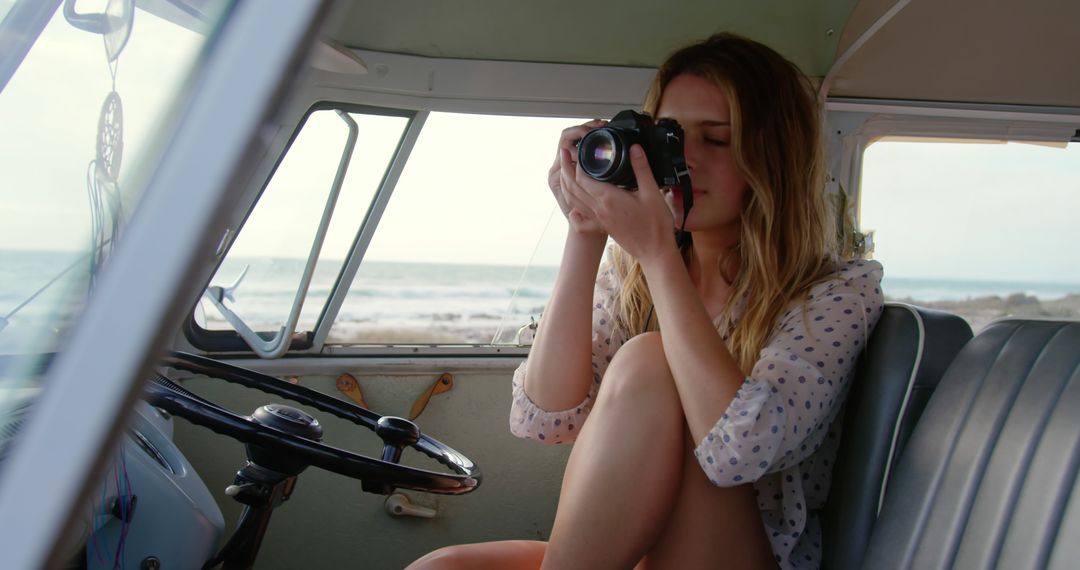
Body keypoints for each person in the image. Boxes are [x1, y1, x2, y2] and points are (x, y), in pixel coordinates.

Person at [408, 32, 884, 570]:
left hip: (743, 553)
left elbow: (739, 453)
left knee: (650, 360)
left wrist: (657, 254)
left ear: (772, 156)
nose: (688, 160)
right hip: (644, 551)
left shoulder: (836, 292)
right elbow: (546, 418)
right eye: (672, 137)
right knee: (440, 568)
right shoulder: (636, 272)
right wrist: (585, 231)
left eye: (719, 140)